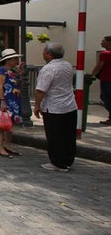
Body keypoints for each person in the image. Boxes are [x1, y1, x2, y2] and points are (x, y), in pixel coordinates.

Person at [34, 42, 77, 172]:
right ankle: (68, 160)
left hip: (54, 107)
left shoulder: (48, 69)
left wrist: (37, 105)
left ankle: (58, 162)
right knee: (68, 135)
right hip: (69, 105)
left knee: (55, 136)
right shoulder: (67, 65)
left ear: (49, 54)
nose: (42, 53)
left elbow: (41, 89)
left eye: (44, 51)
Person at [0, 48, 24, 158]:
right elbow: (0, 86)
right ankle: (0, 146)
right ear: (8, 60)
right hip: (6, 100)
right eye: (15, 58)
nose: (17, 60)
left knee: (10, 124)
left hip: (14, 100)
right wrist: (2, 100)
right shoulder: (2, 71)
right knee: (1, 124)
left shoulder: (14, 71)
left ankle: (7, 145)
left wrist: (20, 74)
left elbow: (17, 85)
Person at [91, 35, 111, 125]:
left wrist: (91, 75)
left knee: (106, 97)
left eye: (103, 41)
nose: (101, 42)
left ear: (109, 42)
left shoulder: (105, 54)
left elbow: (99, 66)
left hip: (107, 79)